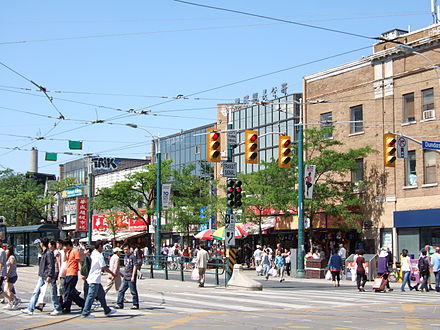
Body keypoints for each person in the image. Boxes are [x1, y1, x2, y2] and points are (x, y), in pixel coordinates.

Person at [22, 238, 63, 316]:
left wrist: (49, 275)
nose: (39, 245)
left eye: (40, 243)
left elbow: (51, 265)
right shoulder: (44, 252)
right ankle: (30, 308)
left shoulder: (48, 253)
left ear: (42, 243)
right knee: (36, 292)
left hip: (47, 276)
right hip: (43, 275)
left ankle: (58, 308)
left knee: (52, 293)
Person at [81, 240, 116, 318]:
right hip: (94, 279)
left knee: (101, 295)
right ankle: (85, 312)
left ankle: (107, 310)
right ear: (100, 246)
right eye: (102, 246)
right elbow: (103, 267)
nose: (103, 248)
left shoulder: (94, 253)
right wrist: (112, 273)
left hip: (95, 278)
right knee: (91, 296)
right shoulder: (99, 255)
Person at [62, 239, 85, 314]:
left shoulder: (75, 251)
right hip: (68, 273)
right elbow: (65, 260)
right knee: (68, 292)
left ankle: (82, 303)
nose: (64, 247)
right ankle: (68, 307)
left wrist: (81, 273)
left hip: (73, 273)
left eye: (65, 246)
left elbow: (78, 262)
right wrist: (65, 253)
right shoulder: (68, 252)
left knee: (70, 292)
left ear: (69, 245)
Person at [116, 244, 139, 309]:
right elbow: (125, 266)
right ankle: (119, 304)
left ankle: (135, 304)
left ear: (129, 249)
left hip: (131, 276)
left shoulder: (133, 257)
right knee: (121, 290)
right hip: (126, 277)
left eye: (126, 249)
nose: (125, 251)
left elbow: (135, 266)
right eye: (124, 249)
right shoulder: (125, 257)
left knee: (133, 291)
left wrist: (133, 276)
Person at [3, 244, 20, 309]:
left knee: (6, 290)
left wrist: (7, 275)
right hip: (9, 276)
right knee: (7, 290)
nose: (6, 252)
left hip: (12, 276)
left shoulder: (11, 257)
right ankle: (12, 301)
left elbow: (11, 267)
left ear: (9, 251)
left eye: (7, 250)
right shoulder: (8, 257)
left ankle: (14, 300)